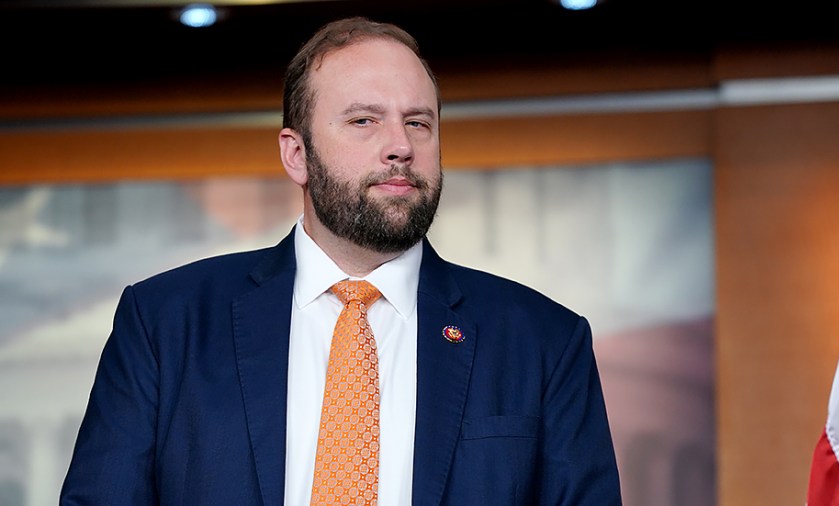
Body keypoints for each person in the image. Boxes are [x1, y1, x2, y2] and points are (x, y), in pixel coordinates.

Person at [59, 16, 622, 505]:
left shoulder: (545, 342)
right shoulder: (164, 323)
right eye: (363, 121)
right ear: (296, 154)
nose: (400, 144)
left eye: (419, 122)